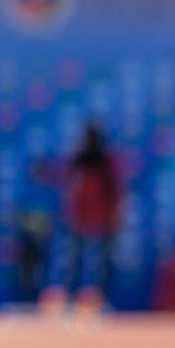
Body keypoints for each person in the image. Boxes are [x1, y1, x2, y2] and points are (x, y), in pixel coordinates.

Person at [58, 123, 122, 311]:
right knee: (74, 263)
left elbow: (115, 191)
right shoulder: (78, 160)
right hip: (80, 218)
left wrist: (114, 215)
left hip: (102, 218)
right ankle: (70, 302)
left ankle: (99, 301)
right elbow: (68, 188)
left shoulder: (105, 161)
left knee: (102, 265)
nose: (90, 141)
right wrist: (70, 213)